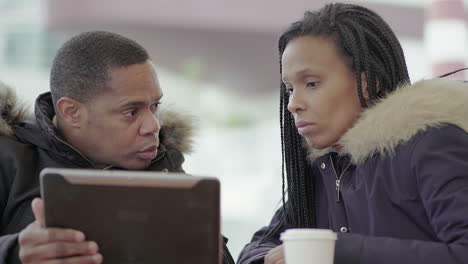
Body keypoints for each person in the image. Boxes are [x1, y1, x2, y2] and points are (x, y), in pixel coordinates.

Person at [238, 3, 468, 264]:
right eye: (290, 89)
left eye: (311, 84)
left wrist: (338, 251)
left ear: (369, 82)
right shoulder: (324, 167)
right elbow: (257, 246)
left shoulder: (432, 146)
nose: (293, 103)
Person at [0, 31, 234, 264]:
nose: (154, 125)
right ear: (72, 112)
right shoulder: (9, 159)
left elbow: (221, 256)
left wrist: (207, 251)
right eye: (131, 112)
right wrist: (14, 252)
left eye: (154, 106)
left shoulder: (164, 166)